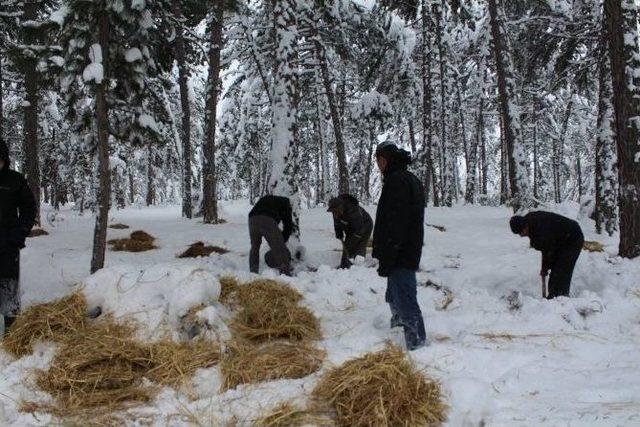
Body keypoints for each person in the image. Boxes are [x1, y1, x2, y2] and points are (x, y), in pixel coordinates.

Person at [372, 141, 426, 351]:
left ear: (384, 160)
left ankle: (417, 343)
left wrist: (388, 253)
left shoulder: (397, 182)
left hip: (400, 250)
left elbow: (395, 222)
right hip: (405, 247)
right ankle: (397, 328)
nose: (378, 165)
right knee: (393, 294)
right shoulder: (407, 179)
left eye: (379, 160)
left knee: (404, 296)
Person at [0, 138, 36, 333]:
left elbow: (29, 208)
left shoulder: (15, 180)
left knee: (9, 286)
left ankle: (12, 331)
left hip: (8, 243)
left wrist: (20, 232)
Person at [510, 211, 584, 299]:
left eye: (521, 232)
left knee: (562, 270)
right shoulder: (530, 222)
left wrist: (544, 269)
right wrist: (545, 268)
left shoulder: (540, 229)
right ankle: (554, 296)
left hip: (573, 238)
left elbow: (548, 250)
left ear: (525, 226)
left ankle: (561, 298)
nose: (521, 235)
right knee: (556, 270)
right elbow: (545, 248)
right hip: (560, 240)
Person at [248, 195, 294, 276]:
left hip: (252, 218)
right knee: (279, 248)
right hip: (267, 219)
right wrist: (281, 242)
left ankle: (253, 272)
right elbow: (288, 226)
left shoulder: (269, 198)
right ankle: (286, 274)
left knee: (255, 246)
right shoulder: (286, 205)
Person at [327, 194, 373, 269]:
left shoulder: (352, 210)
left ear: (340, 207)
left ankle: (358, 265)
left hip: (365, 225)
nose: (334, 213)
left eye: (335, 210)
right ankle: (346, 264)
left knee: (360, 243)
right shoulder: (335, 212)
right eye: (333, 211)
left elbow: (359, 230)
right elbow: (337, 224)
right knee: (348, 244)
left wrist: (350, 243)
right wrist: (339, 235)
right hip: (351, 227)